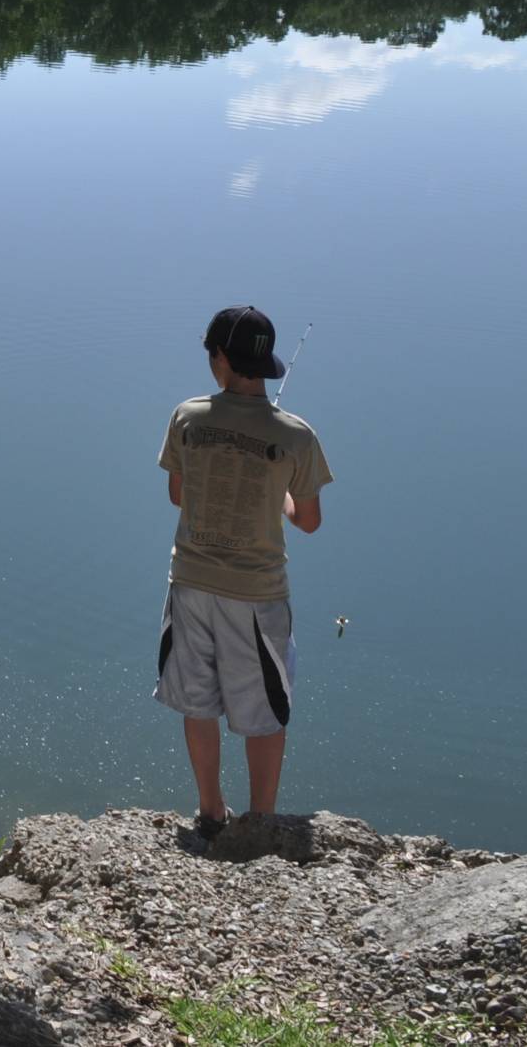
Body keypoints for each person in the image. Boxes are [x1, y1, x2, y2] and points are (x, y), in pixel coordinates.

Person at [153, 307, 333, 836]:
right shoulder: (297, 437)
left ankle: (211, 811)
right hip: (257, 594)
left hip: (189, 583)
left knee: (198, 701)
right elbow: (309, 522)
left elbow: (177, 495)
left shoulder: (188, 417)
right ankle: (261, 821)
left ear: (222, 359)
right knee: (266, 711)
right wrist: (275, 493)